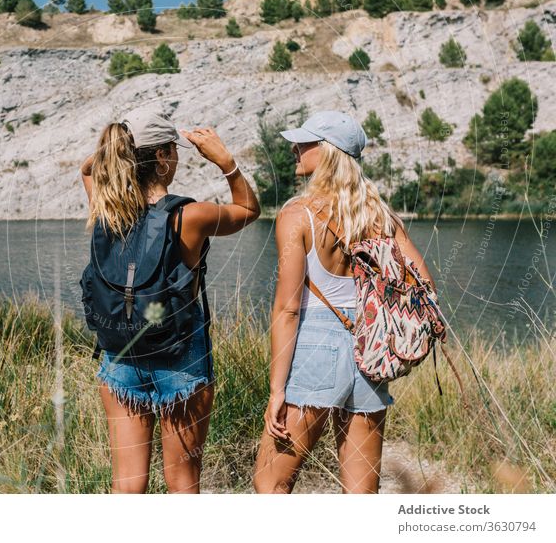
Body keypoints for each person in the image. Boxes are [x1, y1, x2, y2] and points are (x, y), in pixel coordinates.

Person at [252, 111, 437, 494]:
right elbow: (425, 287)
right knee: (360, 493)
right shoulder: (383, 217)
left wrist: (276, 392)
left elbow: (287, 310)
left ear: (328, 152)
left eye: (305, 142)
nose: (294, 148)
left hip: (315, 350)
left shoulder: (297, 215)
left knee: (270, 482)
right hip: (370, 349)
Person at [79, 107, 260, 493]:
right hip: (180, 360)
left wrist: (119, 148)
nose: (176, 158)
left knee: (127, 484)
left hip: (120, 356)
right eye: (172, 151)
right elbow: (249, 209)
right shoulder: (189, 217)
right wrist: (226, 162)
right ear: (162, 157)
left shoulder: (105, 211)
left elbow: (88, 170)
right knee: (181, 484)